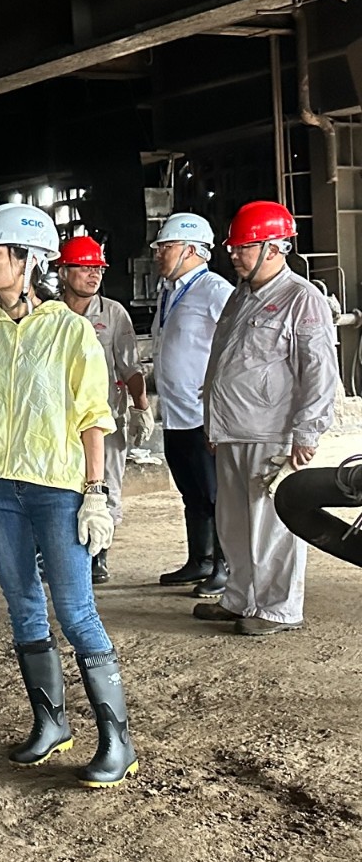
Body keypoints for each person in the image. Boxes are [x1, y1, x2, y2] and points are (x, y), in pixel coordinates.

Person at [0, 203, 136, 788]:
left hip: (57, 487)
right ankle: (51, 724)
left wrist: (96, 491)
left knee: (76, 611)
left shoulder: (71, 332)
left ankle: (117, 741)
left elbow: (93, 415)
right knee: (23, 604)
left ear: (27, 261)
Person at [195, 201, 339, 636]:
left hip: (272, 432)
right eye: (233, 248)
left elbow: (319, 371)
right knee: (234, 523)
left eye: (243, 247)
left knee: (272, 524)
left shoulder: (302, 298)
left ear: (274, 248)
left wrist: (307, 431)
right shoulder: (240, 295)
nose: (234, 256)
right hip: (232, 430)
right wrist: (213, 421)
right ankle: (240, 597)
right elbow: (222, 361)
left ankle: (278, 608)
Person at [57, 235, 151, 583]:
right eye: (85, 268)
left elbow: (130, 367)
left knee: (105, 484)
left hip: (104, 419)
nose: (94, 275)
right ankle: (57, 552)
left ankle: (99, 554)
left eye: (98, 268)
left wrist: (141, 407)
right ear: (63, 272)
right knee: (61, 485)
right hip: (59, 419)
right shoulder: (49, 314)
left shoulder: (113, 314)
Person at [149, 213, 234, 597]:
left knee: (216, 495)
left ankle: (225, 566)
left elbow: (235, 345)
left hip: (204, 417)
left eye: (165, 246)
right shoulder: (168, 291)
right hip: (175, 413)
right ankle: (199, 559)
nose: (158, 253)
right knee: (192, 492)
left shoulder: (215, 290)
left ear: (192, 250)